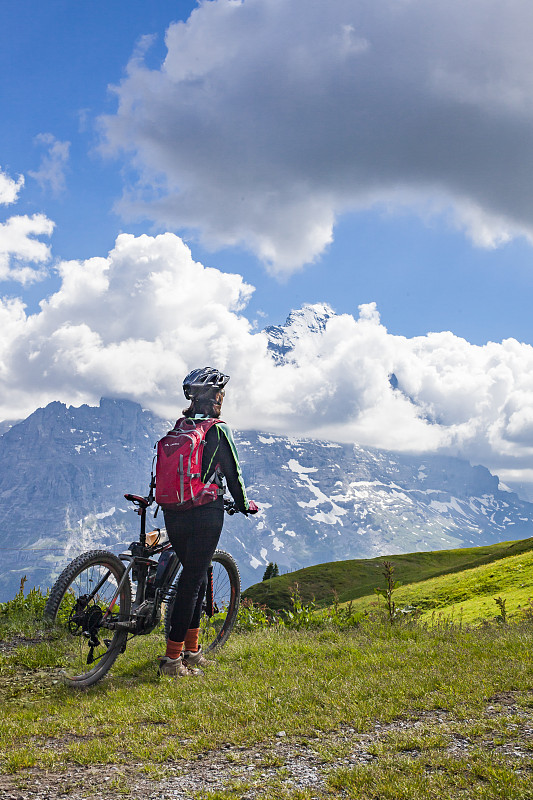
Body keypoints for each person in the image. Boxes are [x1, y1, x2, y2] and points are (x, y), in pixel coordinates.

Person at [158, 367, 258, 678]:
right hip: (204, 513)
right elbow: (233, 476)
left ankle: (193, 651)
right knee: (191, 584)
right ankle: (173, 661)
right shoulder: (217, 430)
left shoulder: (180, 427)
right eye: (220, 395)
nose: (221, 400)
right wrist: (245, 505)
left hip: (173, 511)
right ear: (213, 399)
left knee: (196, 577)